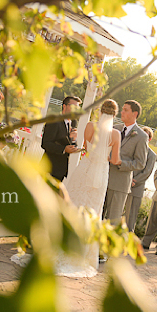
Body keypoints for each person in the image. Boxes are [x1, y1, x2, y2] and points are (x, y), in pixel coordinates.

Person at [52, 99, 121, 277]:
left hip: (84, 169)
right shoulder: (116, 134)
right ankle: (81, 253)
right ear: (115, 115)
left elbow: (85, 148)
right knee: (93, 213)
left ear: (100, 111)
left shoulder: (90, 126)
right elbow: (114, 160)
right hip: (100, 175)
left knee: (73, 205)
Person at [101, 100, 149, 225]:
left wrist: (120, 162)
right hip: (102, 178)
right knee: (97, 215)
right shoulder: (114, 128)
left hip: (120, 185)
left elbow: (140, 163)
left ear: (135, 114)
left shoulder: (142, 137)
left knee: (112, 222)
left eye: (125, 110)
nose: (121, 112)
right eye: (122, 109)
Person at [123, 126, 157, 232]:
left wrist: (134, 181)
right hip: (123, 184)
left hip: (136, 188)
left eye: (146, 135)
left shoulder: (152, 155)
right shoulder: (133, 147)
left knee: (130, 217)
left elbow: (147, 172)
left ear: (149, 139)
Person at [41, 95, 82, 181]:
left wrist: (74, 139)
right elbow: (45, 143)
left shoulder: (73, 123)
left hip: (61, 170)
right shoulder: (54, 121)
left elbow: (69, 144)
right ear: (64, 106)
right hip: (48, 168)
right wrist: (64, 149)